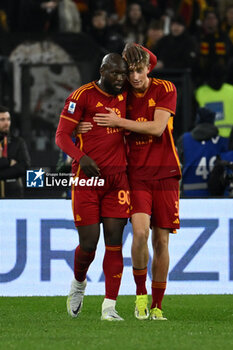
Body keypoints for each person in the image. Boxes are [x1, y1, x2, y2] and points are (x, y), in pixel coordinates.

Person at [93, 45, 181, 321]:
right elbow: (99, 114)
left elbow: (156, 128)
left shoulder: (166, 88)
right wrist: (81, 127)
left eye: (139, 70)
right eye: (130, 71)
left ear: (149, 68)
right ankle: (140, 297)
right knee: (141, 233)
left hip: (166, 172)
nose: (134, 76)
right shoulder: (123, 94)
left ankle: (157, 305)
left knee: (162, 241)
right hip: (136, 174)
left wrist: (120, 122)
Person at [55, 53, 130, 321]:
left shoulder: (127, 95)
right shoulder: (82, 96)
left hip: (118, 179)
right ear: (102, 71)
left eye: (124, 74)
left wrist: (132, 49)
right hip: (87, 180)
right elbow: (61, 135)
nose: (121, 79)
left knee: (114, 243)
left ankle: (109, 308)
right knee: (89, 244)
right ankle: (78, 285)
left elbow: (150, 69)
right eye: (115, 74)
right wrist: (81, 157)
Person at [177, 107, 229, 197]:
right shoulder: (223, 142)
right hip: (216, 200)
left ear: (197, 121)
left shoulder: (184, 139)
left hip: (188, 197)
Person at [0, 106, 31, 198]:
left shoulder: (18, 142)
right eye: (2, 120)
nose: (7, 123)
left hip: (14, 192)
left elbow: (24, 167)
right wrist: (8, 162)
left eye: (8, 119)